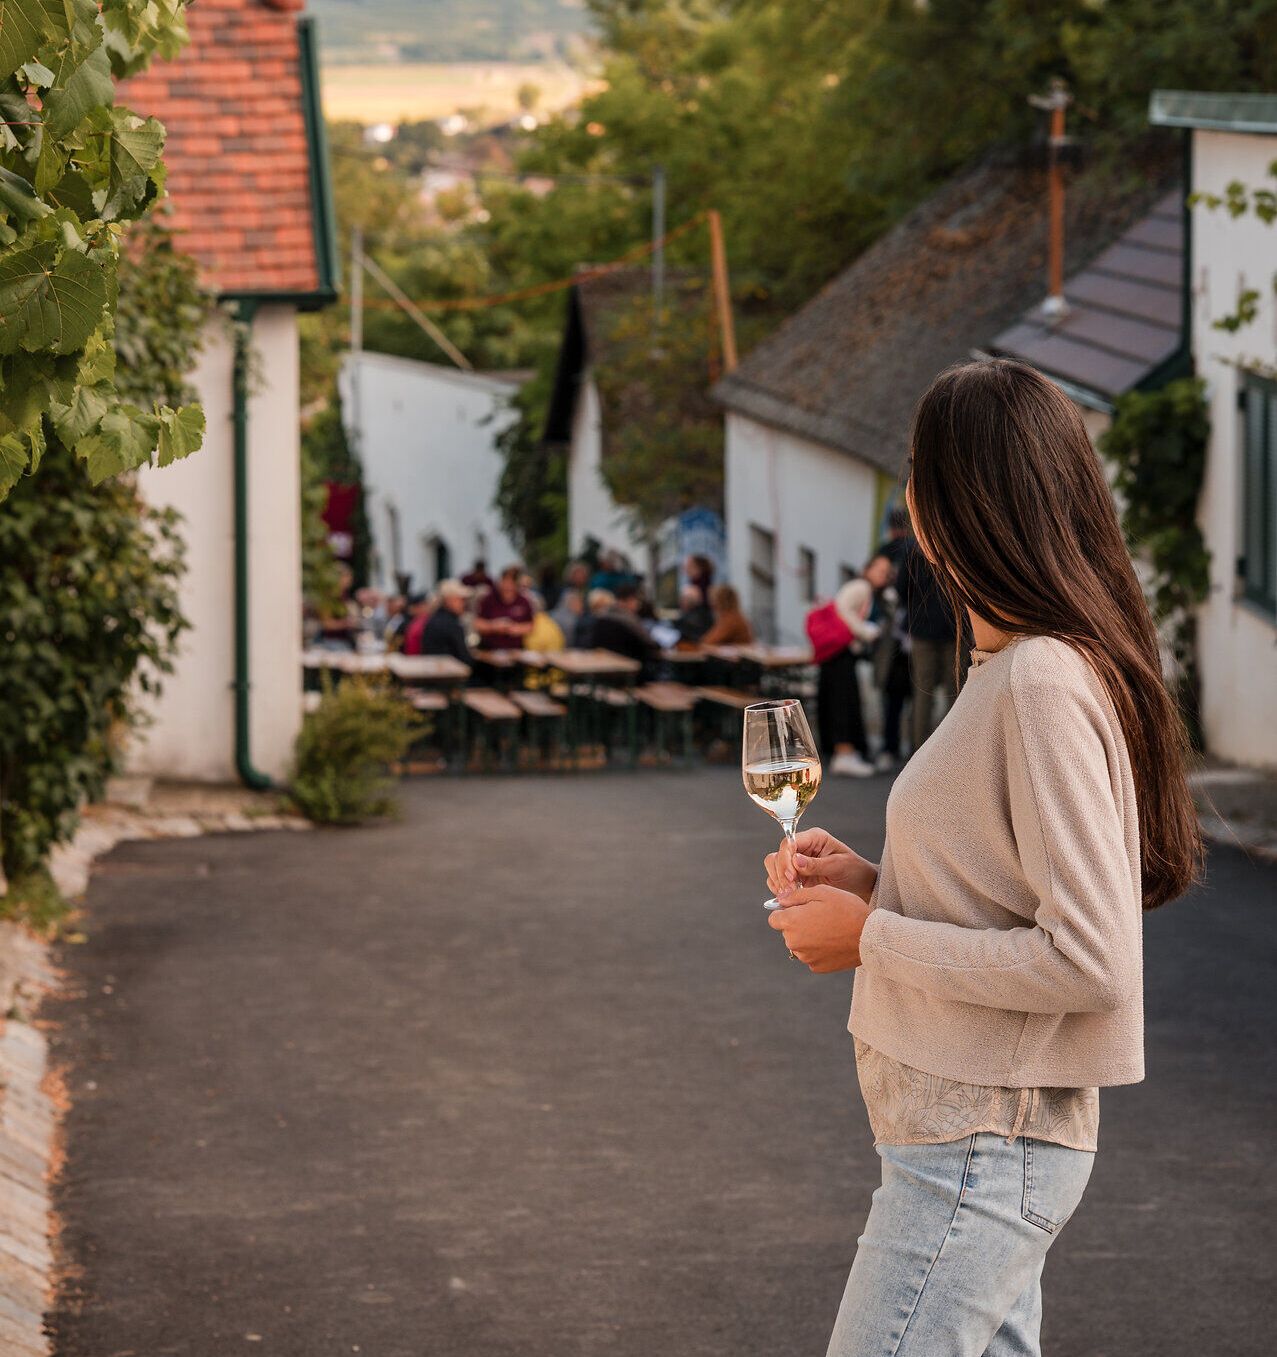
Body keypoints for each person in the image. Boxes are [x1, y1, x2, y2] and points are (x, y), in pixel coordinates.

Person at [764, 359, 1201, 1357]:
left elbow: (1087, 960)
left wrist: (871, 936)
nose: (908, 495)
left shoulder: (1041, 676)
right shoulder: (1010, 666)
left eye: (917, 468)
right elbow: (1004, 897)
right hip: (958, 1143)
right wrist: (872, 886)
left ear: (953, 502)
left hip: (978, 1147)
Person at [900, 533, 965, 752]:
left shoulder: (914, 550)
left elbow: (901, 589)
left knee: (923, 691)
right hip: (955, 628)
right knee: (955, 691)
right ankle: (953, 750)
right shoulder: (956, 543)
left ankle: (919, 751)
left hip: (922, 630)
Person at [815, 577, 879, 777]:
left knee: (836, 700)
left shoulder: (862, 588)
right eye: (882, 571)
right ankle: (844, 753)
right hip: (841, 652)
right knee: (843, 701)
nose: (885, 575)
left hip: (834, 653)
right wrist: (865, 631)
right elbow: (843, 610)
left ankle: (842, 751)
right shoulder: (862, 587)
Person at [863, 553, 911, 770]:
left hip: (905, 658)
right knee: (891, 705)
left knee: (905, 704)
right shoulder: (878, 595)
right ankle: (889, 748)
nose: (887, 575)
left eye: (888, 572)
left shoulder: (902, 595)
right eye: (882, 571)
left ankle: (900, 747)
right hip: (891, 661)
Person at [590, 583, 661, 677]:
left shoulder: (601, 617)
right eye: (636, 601)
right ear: (629, 601)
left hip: (603, 673)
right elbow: (651, 644)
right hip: (630, 674)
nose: (638, 605)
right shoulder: (629, 620)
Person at [474, 564, 534, 651]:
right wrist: (493, 626)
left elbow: (531, 624)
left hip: (515, 650)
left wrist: (516, 628)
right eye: (505, 581)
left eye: (511, 583)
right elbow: (477, 623)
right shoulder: (489, 599)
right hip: (491, 649)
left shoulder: (523, 601)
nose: (508, 586)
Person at [417, 579, 473, 664]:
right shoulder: (452, 624)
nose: (464, 604)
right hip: (451, 674)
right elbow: (465, 659)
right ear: (449, 600)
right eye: (461, 599)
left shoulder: (434, 618)